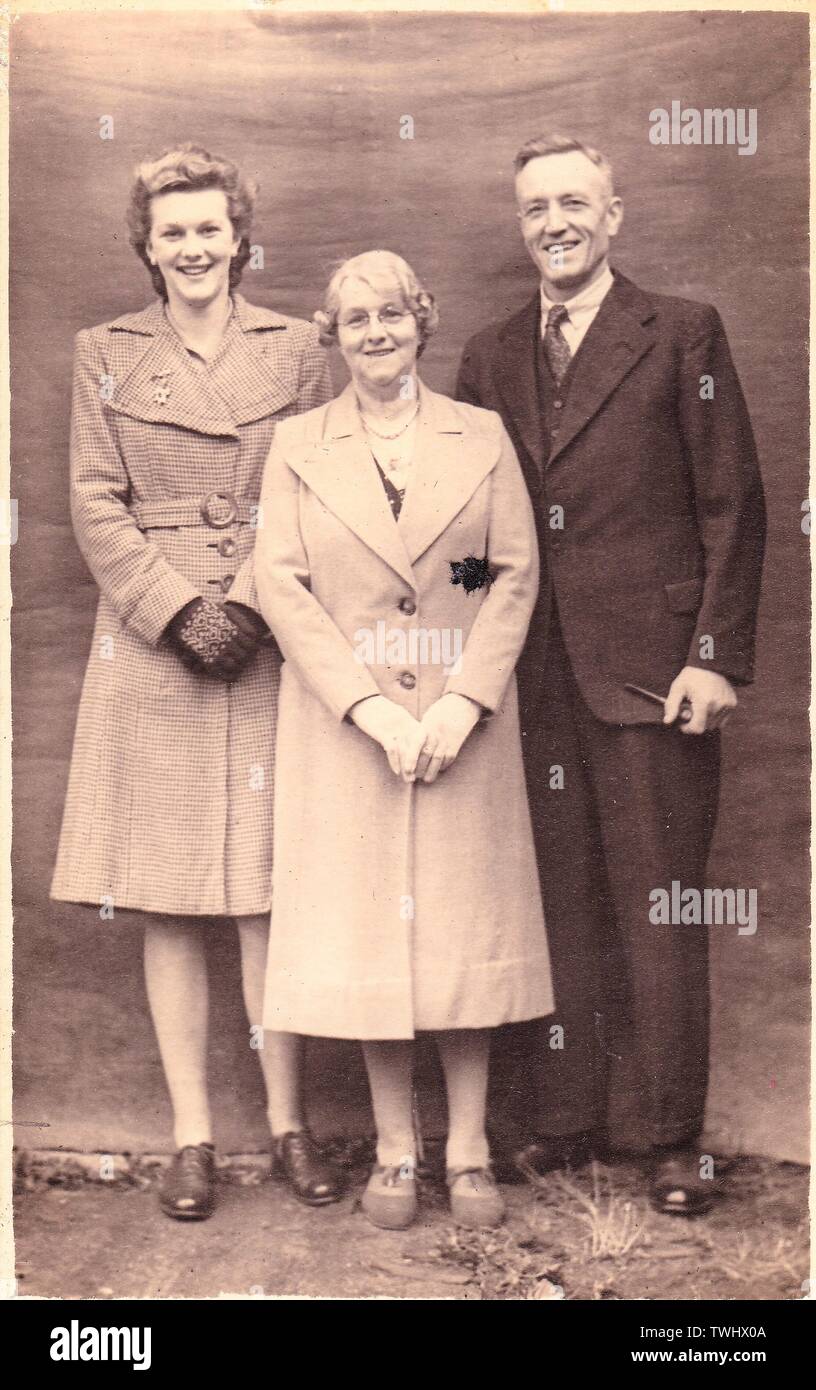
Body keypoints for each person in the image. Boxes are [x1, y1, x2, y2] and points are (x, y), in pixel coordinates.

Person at [456, 134, 766, 1214]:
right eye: (536, 205)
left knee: (658, 909)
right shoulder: (491, 355)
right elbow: (471, 531)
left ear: (615, 215)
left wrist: (713, 658)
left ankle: (672, 1139)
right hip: (529, 686)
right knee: (558, 905)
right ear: (521, 224)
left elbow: (734, 505)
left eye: (575, 202)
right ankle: (568, 1118)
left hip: (652, 679)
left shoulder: (682, 331)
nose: (556, 222)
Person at [50, 144, 344, 1220]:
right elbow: (94, 503)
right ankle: (191, 1139)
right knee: (172, 901)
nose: (193, 248)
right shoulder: (105, 353)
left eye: (209, 228)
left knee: (269, 893)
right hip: (156, 642)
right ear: (147, 244)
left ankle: (289, 1127)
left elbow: (313, 488)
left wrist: (256, 605)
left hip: (269, 635)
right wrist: (180, 610)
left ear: (239, 237)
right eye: (171, 231)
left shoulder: (303, 349)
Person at [254, 250, 553, 1230]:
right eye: (354, 320)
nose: (375, 332)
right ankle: (393, 1148)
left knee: (460, 934)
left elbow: (504, 570)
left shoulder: (482, 435)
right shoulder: (299, 445)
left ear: (421, 321)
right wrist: (373, 705)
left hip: (463, 723)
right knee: (374, 935)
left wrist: (459, 696)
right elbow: (282, 585)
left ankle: (465, 1149)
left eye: (392, 313)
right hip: (350, 732)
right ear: (332, 337)